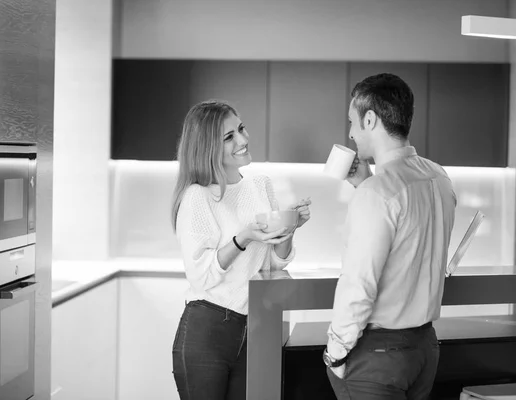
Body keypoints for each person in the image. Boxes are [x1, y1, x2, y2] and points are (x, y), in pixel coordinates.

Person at [323, 73, 457, 399]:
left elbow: (359, 284)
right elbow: (409, 245)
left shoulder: (376, 193)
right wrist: (365, 182)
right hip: (424, 348)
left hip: (379, 357)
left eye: (353, 122)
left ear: (370, 119)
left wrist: (336, 353)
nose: (352, 133)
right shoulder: (438, 176)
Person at [170, 100, 311, 400]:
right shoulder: (197, 197)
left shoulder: (260, 185)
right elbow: (202, 277)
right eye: (229, 137)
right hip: (207, 331)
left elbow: (273, 266)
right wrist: (242, 238)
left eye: (241, 129)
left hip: (254, 327)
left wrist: (289, 229)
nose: (243, 140)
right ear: (208, 146)